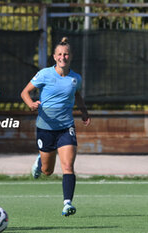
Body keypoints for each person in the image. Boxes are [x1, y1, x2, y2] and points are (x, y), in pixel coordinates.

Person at [20, 37, 90, 217]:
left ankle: (67, 203)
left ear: (71, 56)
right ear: (54, 57)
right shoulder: (44, 74)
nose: (63, 57)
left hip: (66, 127)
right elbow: (25, 92)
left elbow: (77, 94)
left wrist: (83, 111)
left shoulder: (76, 78)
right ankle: (40, 160)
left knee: (68, 166)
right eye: (59, 54)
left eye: (66, 54)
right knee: (47, 171)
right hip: (45, 128)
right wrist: (31, 104)